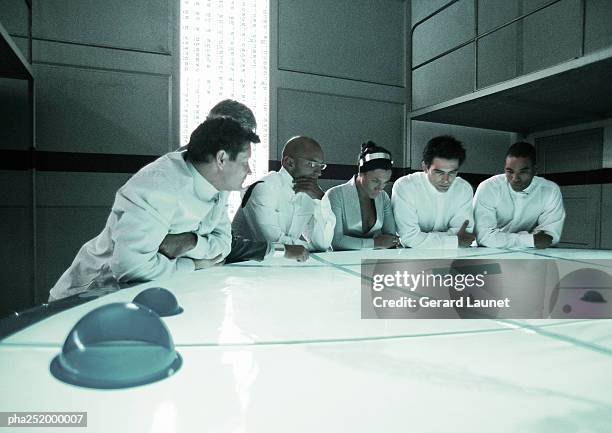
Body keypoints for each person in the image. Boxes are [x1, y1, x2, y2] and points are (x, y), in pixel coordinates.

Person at [49, 117, 260, 301]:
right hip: (89, 297)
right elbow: (132, 268)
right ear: (221, 159)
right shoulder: (157, 188)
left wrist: (189, 242)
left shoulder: (218, 185)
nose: (249, 170)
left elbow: (224, 244)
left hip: (147, 293)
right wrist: (196, 264)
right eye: (245, 161)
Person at [174, 99, 309, 262]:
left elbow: (223, 242)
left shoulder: (222, 170)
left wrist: (196, 246)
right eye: (240, 138)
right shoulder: (175, 174)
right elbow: (172, 247)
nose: (243, 145)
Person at [232, 136, 336, 252]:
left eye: (321, 166)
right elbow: (273, 244)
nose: (319, 172)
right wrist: (311, 248)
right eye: (312, 164)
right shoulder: (264, 188)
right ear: (289, 162)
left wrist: (321, 200)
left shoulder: (310, 194)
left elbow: (322, 243)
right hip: (241, 266)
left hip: (283, 265)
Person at [473, 141, 565, 249]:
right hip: (488, 253)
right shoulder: (488, 188)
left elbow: (548, 238)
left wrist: (500, 239)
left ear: (535, 170)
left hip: (531, 254)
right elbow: (484, 237)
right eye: (510, 171)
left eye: (523, 172)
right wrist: (530, 239)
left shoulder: (550, 191)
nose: (515, 178)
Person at [392, 135, 475, 248]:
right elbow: (409, 238)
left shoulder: (463, 189)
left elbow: (464, 233)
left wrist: (422, 238)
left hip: (454, 255)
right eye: (439, 172)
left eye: (452, 173)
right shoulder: (405, 186)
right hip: (410, 256)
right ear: (425, 167)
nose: (446, 180)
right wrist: (454, 241)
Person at [325, 141, 399, 250]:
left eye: (385, 182)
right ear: (361, 173)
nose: (380, 187)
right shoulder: (335, 195)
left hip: (373, 262)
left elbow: (391, 239)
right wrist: (376, 243)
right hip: (341, 262)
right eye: (375, 181)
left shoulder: (383, 197)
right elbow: (336, 241)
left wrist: (354, 242)